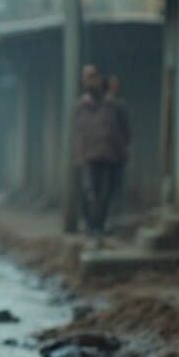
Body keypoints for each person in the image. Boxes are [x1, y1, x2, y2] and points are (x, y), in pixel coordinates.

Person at [72, 64, 128, 241]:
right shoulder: (81, 106)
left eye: (94, 76)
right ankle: (91, 226)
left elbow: (125, 131)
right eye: (88, 77)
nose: (91, 80)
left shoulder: (114, 104)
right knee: (90, 192)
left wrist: (121, 150)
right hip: (88, 156)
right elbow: (76, 132)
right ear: (83, 80)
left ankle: (99, 226)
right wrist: (78, 154)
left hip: (110, 155)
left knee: (106, 192)